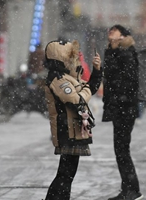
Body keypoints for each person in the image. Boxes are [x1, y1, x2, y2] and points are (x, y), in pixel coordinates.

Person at [43, 39, 102, 200]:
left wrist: (97, 70)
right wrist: (85, 91)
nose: (75, 61)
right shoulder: (58, 79)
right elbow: (76, 100)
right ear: (61, 59)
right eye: (72, 58)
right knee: (65, 174)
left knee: (66, 174)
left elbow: (90, 88)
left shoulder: (68, 78)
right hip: (66, 130)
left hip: (73, 129)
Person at [102, 24, 143, 200]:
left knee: (122, 149)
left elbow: (130, 80)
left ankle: (132, 190)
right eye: (110, 30)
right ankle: (128, 189)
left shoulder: (126, 53)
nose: (111, 31)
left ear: (123, 36)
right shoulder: (114, 52)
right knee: (120, 149)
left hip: (125, 108)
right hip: (119, 107)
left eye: (115, 30)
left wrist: (121, 98)